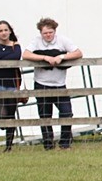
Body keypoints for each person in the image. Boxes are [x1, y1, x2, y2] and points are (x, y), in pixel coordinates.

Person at [21, 17, 83, 150]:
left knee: (67, 113)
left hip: (59, 84)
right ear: (40, 33)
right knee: (45, 116)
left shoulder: (63, 40)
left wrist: (62, 57)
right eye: (45, 33)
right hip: (41, 83)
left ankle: (65, 143)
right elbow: (25, 54)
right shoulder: (36, 41)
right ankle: (48, 144)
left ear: (55, 31)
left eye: (50, 32)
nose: (48, 35)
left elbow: (78, 52)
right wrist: (44, 57)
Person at [0, 20, 23, 152]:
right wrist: (8, 55)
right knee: (2, 114)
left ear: (10, 31)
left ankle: (8, 146)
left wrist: (2, 57)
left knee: (11, 115)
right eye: (1, 30)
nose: (3, 33)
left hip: (12, 84)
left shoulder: (16, 45)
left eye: (6, 30)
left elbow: (16, 56)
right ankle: (2, 124)